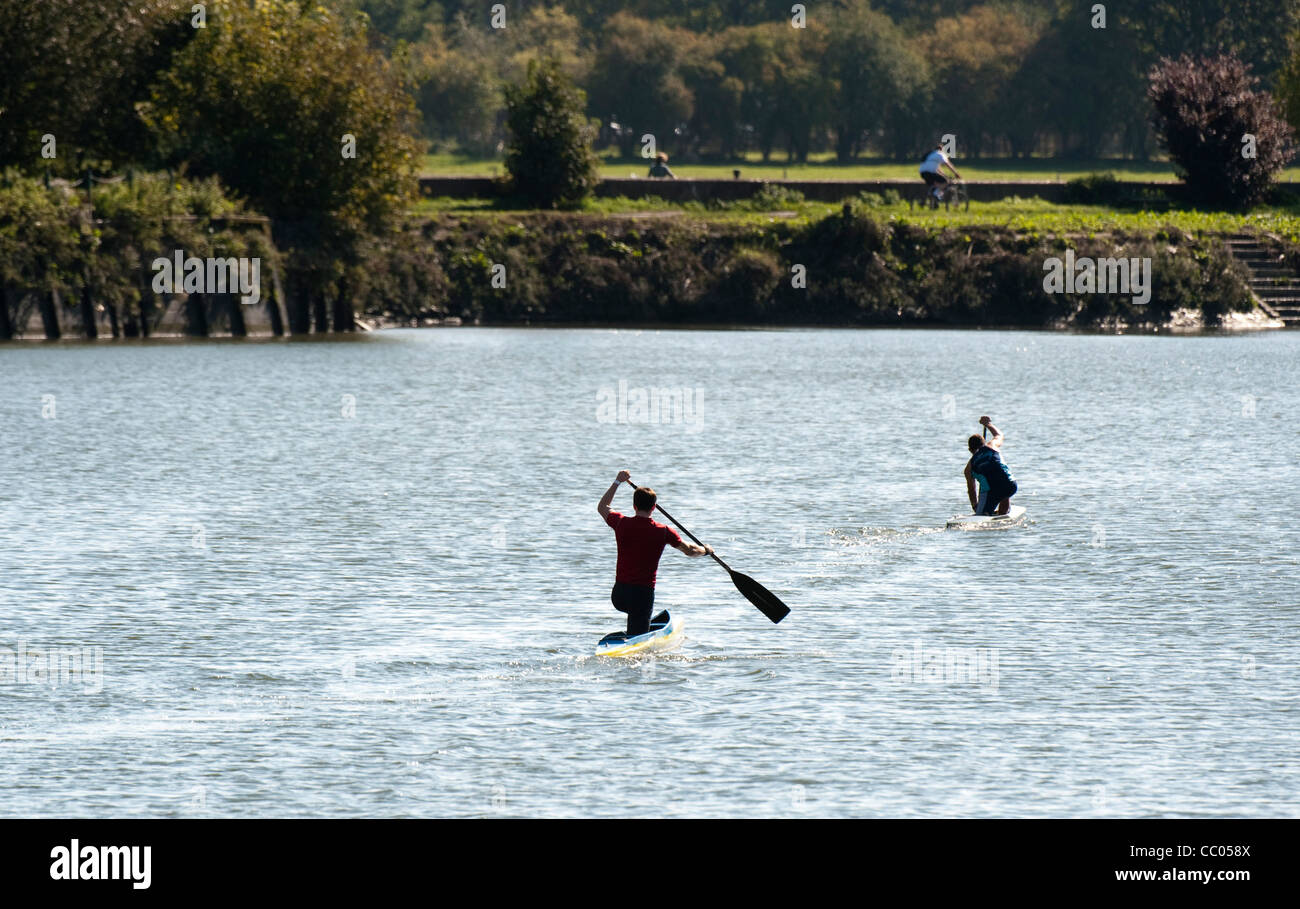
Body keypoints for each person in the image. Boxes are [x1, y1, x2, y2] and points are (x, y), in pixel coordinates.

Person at [598, 470, 710, 635]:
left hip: (619, 595)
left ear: (634, 506)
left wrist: (617, 482)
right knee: (638, 635)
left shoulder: (621, 523)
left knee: (636, 616)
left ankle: (636, 628)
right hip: (641, 595)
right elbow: (690, 551)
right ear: (654, 508)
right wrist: (706, 550)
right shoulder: (663, 531)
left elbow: (602, 507)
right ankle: (636, 637)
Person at [964, 417, 1018, 515]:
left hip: (993, 490)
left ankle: (985, 513)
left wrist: (976, 507)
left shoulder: (969, 467)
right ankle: (1003, 512)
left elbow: (972, 490)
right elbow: (999, 434)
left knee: (982, 512)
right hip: (1011, 485)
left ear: (970, 450)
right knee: (1003, 485)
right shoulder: (992, 445)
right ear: (984, 443)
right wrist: (988, 424)